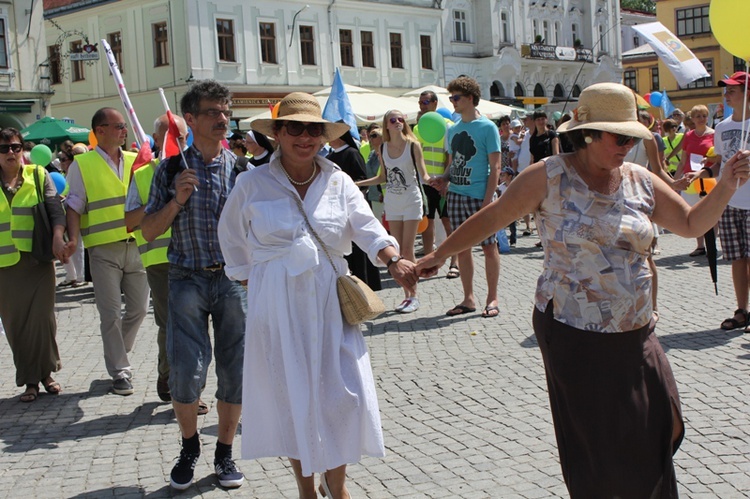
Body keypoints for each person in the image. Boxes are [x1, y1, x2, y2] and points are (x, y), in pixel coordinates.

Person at [416, 82, 750, 498]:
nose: (628, 145)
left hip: (635, 332)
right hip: (575, 334)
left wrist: (728, 185)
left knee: (659, 427)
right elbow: (492, 218)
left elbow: (691, 224)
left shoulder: (640, 179)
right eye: (619, 136)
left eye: (633, 136)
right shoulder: (548, 176)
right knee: (601, 450)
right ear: (589, 133)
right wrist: (435, 256)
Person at [217, 91, 415, 499]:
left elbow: (367, 228)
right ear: (277, 133)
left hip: (329, 298)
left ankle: (337, 486)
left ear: (324, 136)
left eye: (313, 129)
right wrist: (253, 280)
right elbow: (231, 237)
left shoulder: (338, 180)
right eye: (295, 128)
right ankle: (307, 487)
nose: (304, 137)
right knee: (291, 394)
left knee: (343, 395)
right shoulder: (251, 182)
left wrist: (393, 259)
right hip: (277, 301)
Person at [141, 80, 247, 490]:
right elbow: (148, 231)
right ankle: (189, 447)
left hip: (232, 280)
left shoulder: (241, 170)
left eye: (225, 111)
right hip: (185, 278)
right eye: (212, 112)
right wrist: (176, 200)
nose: (222, 119)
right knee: (185, 373)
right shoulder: (169, 169)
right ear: (190, 119)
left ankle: (223, 452)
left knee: (235, 370)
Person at [124, 113, 210, 411]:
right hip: (160, 260)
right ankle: (176, 382)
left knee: (195, 324)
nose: (179, 142)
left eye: (183, 136)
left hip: (198, 257)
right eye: (172, 136)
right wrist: (162, 200)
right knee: (173, 323)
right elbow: (130, 219)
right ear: (157, 138)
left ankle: (181, 383)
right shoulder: (145, 172)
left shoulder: (199, 166)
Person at [63, 107, 150, 396]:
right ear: (100, 131)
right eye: (118, 127)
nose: (124, 131)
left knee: (138, 310)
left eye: (125, 126)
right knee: (110, 313)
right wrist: (73, 239)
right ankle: (120, 372)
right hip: (102, 249)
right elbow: (74, 204)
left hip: (136, 246)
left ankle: (117, 352)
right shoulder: (82, 164)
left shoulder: (134, 160)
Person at [0, 128, 67, 403]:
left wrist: (58, 237)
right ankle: (29, 379)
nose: (11, 153)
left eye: (15, 147)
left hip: (37, 258)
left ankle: (46, 373)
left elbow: (54, 209)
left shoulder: (38, 175)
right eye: (4, 149)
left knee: (42, 320)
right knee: (16, 324)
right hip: (4, 264)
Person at [429, 76, 501, 318]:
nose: (453, 102)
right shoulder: (455, 129)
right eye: (451, 98)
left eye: (456, 98)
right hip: (457, 195)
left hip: (480, 197)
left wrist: (487, 201)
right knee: (462, 249)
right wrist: (444, 178)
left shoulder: (488, 127)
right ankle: (468, 299)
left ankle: (492, 298)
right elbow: (452, 164)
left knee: (489, 247)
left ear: (470, 99)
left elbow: (496, 167)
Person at [691, 72, 750, 331]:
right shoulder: (722, 127)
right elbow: (721, 164)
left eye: (733, 89)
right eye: (725, 89)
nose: (727, 93)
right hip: (729, 202)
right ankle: (741, 311)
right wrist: (703, 174)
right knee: (736, 259)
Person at [357, 109, 431, 312]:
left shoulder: (413, 145)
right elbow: (383, 177)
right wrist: (357, 183)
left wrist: (435, 181)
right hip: (392, 201)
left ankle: (413, 296)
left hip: (411, 199)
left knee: (408, 250)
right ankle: (406, 295)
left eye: (401, 119)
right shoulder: (383, 148)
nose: (398, 122)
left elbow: (423, 175)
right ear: (386, 125)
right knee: (397, 252)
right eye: (393, 120)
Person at [413, 90, 458, 278]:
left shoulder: (449, 125)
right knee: (427, 223)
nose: (422, 105)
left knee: (448, 222)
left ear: (435, 103)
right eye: (420, 102)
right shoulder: (417, 128)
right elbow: (418, 156)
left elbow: (451, 156)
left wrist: (445, 181)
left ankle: (455, 263)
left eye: (425, 102)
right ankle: (429, 262)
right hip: (425, 183)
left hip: (444, 182)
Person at [676, 104, 715, 257]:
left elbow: (719, 157)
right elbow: (683, 159)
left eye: (704, 116)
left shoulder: (713, 133)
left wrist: (709, 158)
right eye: (698, 116)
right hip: (690, 177)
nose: (701, 119)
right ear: (692, 118)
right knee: (694, 211)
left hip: (708, 177)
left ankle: (712, 243)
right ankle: (700, 246)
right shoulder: (688, 135)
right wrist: (674, 180)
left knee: (711, 211)